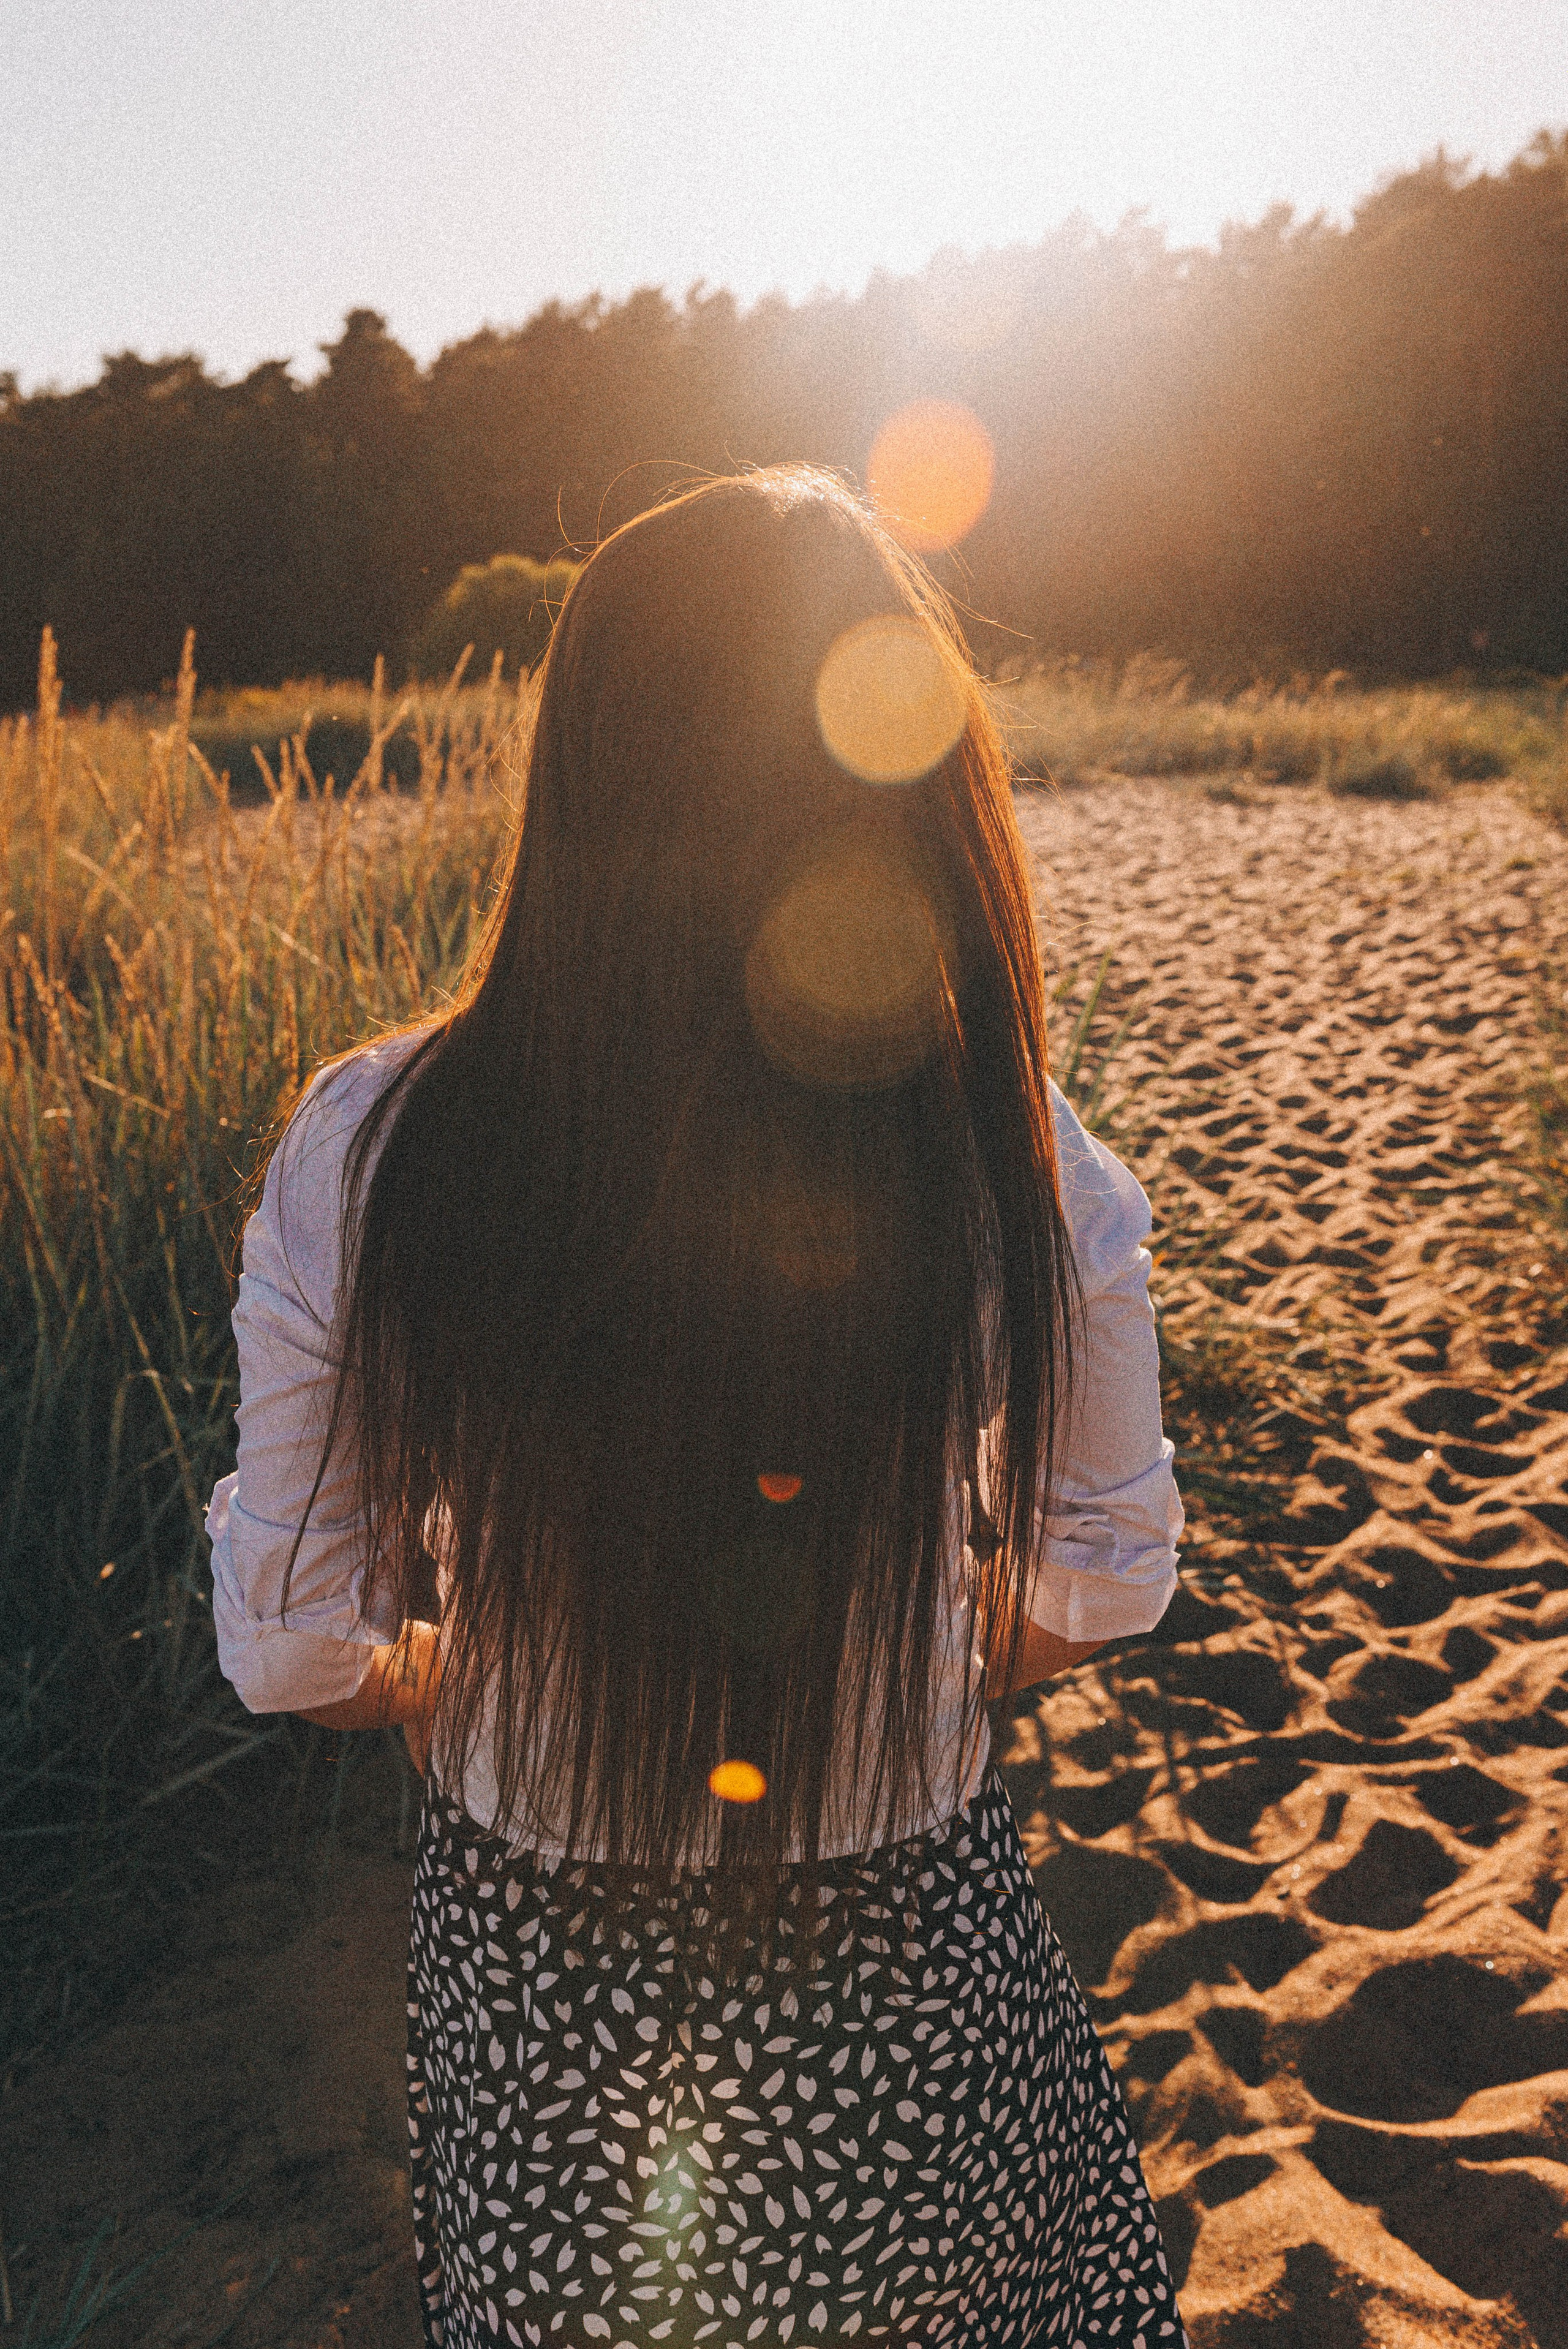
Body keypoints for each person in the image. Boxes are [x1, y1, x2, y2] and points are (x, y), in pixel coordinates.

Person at [206, 467, 1188, 2348]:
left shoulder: (374, 1147)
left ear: (579, 773)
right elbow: (1102, 1575)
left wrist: (444, 1674)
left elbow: (296, 1647)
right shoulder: (1016, 1153)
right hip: (919, 2033)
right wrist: (931, 1660)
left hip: (554, 2054)